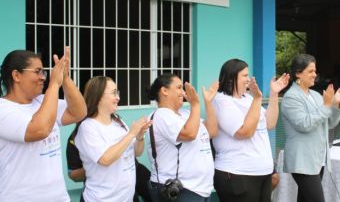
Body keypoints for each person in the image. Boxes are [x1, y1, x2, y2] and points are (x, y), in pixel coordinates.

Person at [0, 47, 87, 202]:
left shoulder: (43, 101)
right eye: (37, 71)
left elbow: (79, 112)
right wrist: (54, 85)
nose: (43, 77)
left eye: (44, 72)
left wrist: (65, 79)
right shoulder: (3, 109)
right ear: (16, 75)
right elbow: (39, 130)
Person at [211, 58, 289, 202]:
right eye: (244, 75)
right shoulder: (221, 100)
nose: (248, 79)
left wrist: (274, 94)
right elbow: (244, 132)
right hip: (237, 174)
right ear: (231, 77)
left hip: (261, 172)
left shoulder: (248, 99)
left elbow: (270, 123)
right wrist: (257, 99)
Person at [281, 54, 340, 202]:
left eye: (315, 71)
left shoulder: (316, 95)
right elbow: (304, 124)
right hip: (302, 159)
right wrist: (327, 105)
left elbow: (330, 123)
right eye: (311, 71)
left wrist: (337, 104)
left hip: (317, 158)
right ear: (298, 73)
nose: (315, 75)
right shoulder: (291, 97)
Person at [74, 76, 151, 202]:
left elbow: (136, 152)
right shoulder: (88, 127)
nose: (118, 98)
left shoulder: (118, 121)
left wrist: (139, 136)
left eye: (117, 92)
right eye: (114, 93)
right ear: (98, 96)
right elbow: (105, 159)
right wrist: (131, 134)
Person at [147, 73, 219, 202]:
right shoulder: (161, 115)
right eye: (179, 87)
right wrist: (195, 105)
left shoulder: (185, 114)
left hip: (200, 188)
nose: (183, 92)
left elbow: (212, 131)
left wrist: (208, 102)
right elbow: (189, 134)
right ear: (164, 91)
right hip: (180, 190)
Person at [66, 124, 153, 202]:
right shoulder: (79, 135)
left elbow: (137, 152)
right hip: (103, 191)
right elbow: (73, 174)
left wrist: (139, 137)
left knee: (154, 194)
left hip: (132, 175)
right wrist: (93, 167)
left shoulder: (119, 123)